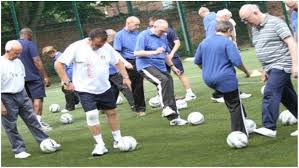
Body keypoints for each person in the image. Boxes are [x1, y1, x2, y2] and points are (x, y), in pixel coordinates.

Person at [55, 28, 132, 156]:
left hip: (104, 87)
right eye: (97, 44)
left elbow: (118, 62)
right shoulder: (76, 47)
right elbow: (58, 64)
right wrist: (66, 81)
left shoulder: (106, 47)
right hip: (84, 89)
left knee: (112, 112)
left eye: (102, 44)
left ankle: (118, 140)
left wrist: (126, 77)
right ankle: (100, 144)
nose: (99, 47)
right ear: (90, 39)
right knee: (91, 114)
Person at [239, 4, 298, 137]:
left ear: (255, 12)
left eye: (246, 19)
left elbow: (291, 42)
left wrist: (295, 65)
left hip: (281, 64)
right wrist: (265, 69)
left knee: (270, 92)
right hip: (270, 67)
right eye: (243, 20)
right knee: (287, 97)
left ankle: (269, 127)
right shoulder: (255, 28)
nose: (245, 22)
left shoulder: (276, 22)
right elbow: (262, 48)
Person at [1, 40, 60, 159]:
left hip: (21, 94)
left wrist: (26, 97)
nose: (18, 55)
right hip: (5, 97)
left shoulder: (18, 62)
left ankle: (45, 141)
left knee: (33, 120)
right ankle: (19, 150)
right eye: (16, 53)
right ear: (8, 51)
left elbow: (21, 79)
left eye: (20, 53)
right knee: (11, 125)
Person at [194, 21, 251, 135]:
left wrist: (207, 70)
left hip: (208, 78)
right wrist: (246, 72)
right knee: (234, 104)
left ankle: (244, 121)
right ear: (229, 31)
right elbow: (237, 61)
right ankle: (238, 133)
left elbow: (197, 61)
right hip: (224, 78)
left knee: (232, 100)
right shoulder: (227, 42)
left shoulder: (204, 42)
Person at [134, 19, 188, 126]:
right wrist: (154, 52)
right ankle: (166, 108)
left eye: (164, 31)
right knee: (162, 80)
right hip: (146, 65)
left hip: (160, 66)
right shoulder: (143, 35)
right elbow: (137, 52)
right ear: (154, 26)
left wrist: (172, 67)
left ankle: (174, 118)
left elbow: (166, 54)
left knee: (169, 81)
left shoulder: (163, 36)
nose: (163, 33)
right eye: (161, 31)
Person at [148, 17, 197, 102]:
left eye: (153, 25)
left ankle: (190, 93)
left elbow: (177, 43)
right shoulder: (149, 33)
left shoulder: (169, 31)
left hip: (172, 57)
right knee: (162, 78)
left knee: (180, 73)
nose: (152, 27)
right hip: (159, 59)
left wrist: (171, 54)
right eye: (151, 25)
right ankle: (162, 96)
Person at [18, 28, 52, 132]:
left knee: (29, 100)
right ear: (29, 35)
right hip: (33, 77)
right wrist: (45, 76)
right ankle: (38, 124)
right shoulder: (29, 44)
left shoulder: (13, 45)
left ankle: (35, 123)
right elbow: (36, 60)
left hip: (20, 78)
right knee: (38, 98)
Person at [114, 16, 146, 117]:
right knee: (133, 85)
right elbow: (116, 52)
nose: (138, 26)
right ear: (128, 23)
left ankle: (140, 107)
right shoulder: (119, 35)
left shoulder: (138, 34)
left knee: (139, 85)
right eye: (136, 24)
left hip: (140, 60)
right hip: (128, 62)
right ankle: (138, 107)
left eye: (138, 25)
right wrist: (125, 63)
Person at [42, 46, 80, 113]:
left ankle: (70, 107)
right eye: (48, 54)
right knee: (68, 89)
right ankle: (76, 101)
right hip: (71, 73)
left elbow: (63, 68)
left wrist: (64, 80)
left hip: (69, 74)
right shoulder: (59, 56)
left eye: (49, 53)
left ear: (53, 51)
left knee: (67, 89)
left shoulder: (59, 57)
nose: (49, 55)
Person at [106, 29, 136, 112]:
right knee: (124, 87)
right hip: (114, 71)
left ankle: (107, 107)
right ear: (109, 37)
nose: (116, 38)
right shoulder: (108, 46)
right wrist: (125, 63)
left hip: (110, 71)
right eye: (114, 36)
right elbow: (117, 56)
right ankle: (134, 105)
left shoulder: (106, 45)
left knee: (113, 89)